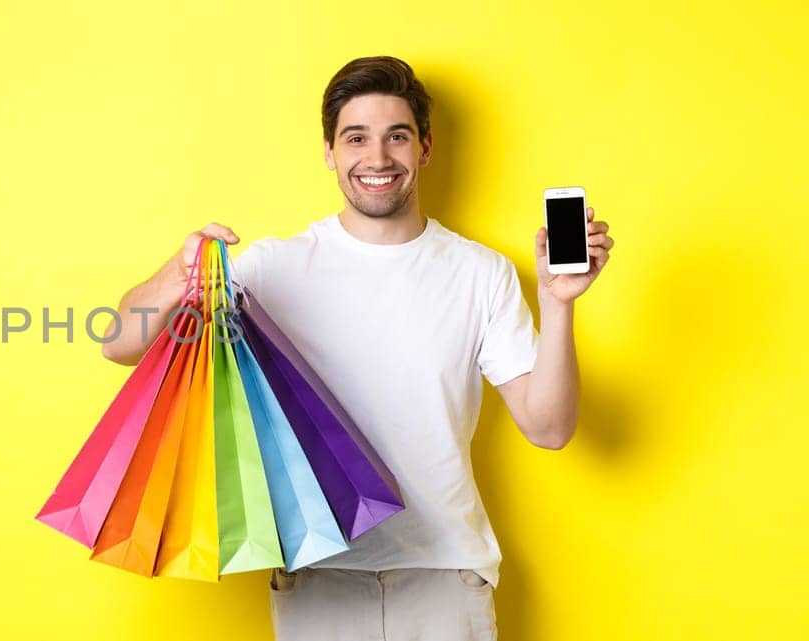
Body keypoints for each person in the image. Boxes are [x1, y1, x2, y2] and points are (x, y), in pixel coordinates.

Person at [99, 56, 615, 640]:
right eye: (356, 138)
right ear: (329, 152)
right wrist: (175, 275)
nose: (377, 158)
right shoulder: (272, 269)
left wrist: (559, 302)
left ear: (424, 147)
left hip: (445, 574)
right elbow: (119, 343)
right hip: (318, 572)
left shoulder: (480, 273)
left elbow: (550, 429)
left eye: (397, 136)